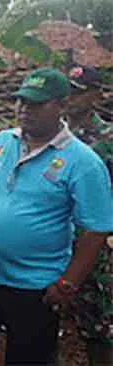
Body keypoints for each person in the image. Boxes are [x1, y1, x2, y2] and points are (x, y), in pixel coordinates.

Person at [0, 67, 113, 365]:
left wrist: (67, 284)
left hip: (35, 287)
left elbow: (96, 230)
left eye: (36, 103)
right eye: (21, 101)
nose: (24, 109)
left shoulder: (84, 162)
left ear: (61, 106)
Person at [65, 64, 113, 366]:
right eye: (67, 91)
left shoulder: (108, 139)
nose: (71, 98)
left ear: (97, 95)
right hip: (53, 243)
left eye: (79, 92)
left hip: (94, 245)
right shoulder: (51, 135)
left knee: (99, 324)